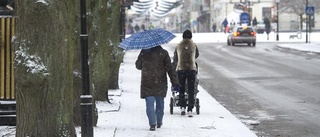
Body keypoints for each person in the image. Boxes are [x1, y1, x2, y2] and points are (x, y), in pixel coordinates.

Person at [135, 46, 180, 131]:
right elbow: (170, 69)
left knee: (149, 104)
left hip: (147, 83)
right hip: (160, 82)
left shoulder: (144, 52)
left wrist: (142, 56)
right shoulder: (163, 53)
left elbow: (138, 66)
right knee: (160, 104)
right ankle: (159, 121)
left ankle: (152, 124)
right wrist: (175, 82)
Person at [173, 29, 199, 117]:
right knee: (191, 90)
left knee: (181, 89)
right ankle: (190, 109)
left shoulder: (178, 45)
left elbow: (175, 57)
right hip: (191, 69)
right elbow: (197, 55)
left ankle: (182, 107)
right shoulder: (194, 45)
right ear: (191, 36)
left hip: (181, 69)